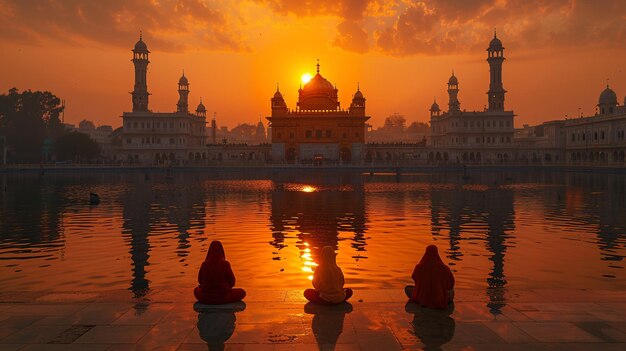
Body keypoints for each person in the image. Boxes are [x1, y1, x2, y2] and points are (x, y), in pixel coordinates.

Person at [405, 245, 454, 309]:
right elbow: (451, 285)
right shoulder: (444, 268)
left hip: (422, 299)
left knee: (407, 289)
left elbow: (414, 278)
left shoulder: (419, 267)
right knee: (452, 291)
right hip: (439, 300)